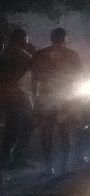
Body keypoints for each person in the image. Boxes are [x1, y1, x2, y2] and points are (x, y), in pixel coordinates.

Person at [31, 28, 83, 175]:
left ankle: (48, 168)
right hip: (64, 99)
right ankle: (64, 167)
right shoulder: (72, 55)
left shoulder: (40, 54)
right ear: (65, 39)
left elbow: (34, 79)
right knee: (65, 133)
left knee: (47, 134)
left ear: (51, 38)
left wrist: (36, 98)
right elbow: (78, 78)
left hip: (46, 98)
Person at [0, 28, 36, 171]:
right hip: (14, 93)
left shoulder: (6, 52)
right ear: (22, 39)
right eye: (26, 40)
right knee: (24, 125)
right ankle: (15, 158)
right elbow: (35, 65)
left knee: (13, 127)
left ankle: (7, 158)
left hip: (8, 92)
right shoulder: (19, 53)